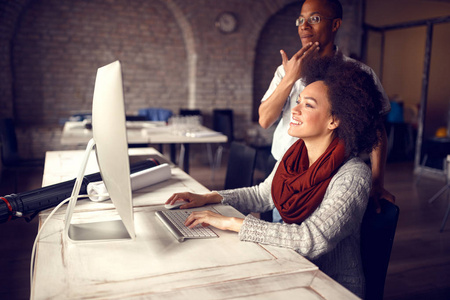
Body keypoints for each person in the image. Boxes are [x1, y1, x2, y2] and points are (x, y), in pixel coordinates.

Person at [166, 55, 384, 298]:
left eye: (308, 105)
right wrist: (211, 197)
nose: (295, 109)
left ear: (334, 120)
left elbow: (310, 239)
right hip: (289, 267)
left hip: (327, 287)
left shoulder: (353, 175)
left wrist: (231, 223)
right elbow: (262, 194)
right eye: (297, 101)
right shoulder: (293, 155)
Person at [258, 0, 395, 213]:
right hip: (285, 173)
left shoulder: (359, 74)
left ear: (335, 24)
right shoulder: (285, 71)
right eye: (301, 20)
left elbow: (376, 130)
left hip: (333, 179)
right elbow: (265, 120)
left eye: (314, 18)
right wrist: (290, 78)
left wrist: (377, 182)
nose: (304, 26)